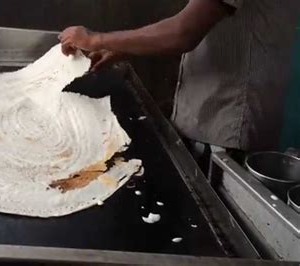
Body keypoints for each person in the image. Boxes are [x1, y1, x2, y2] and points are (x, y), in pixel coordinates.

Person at [59, 0, 300, 171]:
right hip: (226, 121)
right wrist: (119, 46)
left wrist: (95, 39)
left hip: (225, 130)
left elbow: (183, 33)